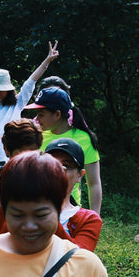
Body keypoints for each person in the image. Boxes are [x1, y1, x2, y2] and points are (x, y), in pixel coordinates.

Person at [0, 42, 60, 198]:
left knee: (8, 200)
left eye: (2, 90)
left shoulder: (17, 103)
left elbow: (31, 82)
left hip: (10, 158)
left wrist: (47, 61)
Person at [0, 137, 103, 252]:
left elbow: (79, 257)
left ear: (80, 175)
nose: (58, 171)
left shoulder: (88, 219)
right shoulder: (21, 205)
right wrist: (10, 194)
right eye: (52, 164)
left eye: (66, 166)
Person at [24, 87, 103, 215]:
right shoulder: (38, 137)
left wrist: (95, 216)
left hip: (70, 211)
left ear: (57, 114)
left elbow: (93, 183)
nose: (37, 119)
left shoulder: (84, 138)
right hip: (39, 209)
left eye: (41, 114)